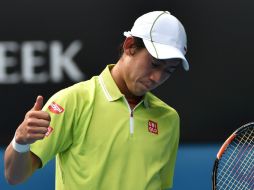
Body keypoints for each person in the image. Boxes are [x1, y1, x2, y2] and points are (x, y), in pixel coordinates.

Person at [4, 10, 189, 190]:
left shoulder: (169, 119)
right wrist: (20, 142)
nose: (157, 77)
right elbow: (14, 176)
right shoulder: (72, 101)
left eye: (169, 71)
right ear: (130, 46)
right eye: (155, 64)